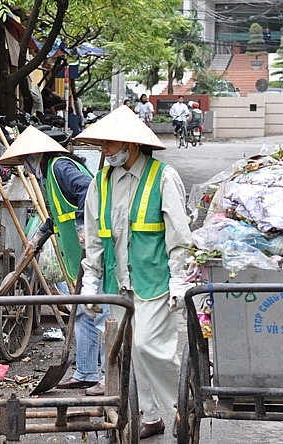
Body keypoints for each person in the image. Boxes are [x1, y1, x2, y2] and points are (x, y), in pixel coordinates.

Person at [74, 105, 192, 439]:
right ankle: (149, 415)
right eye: (102, 144)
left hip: (154, 280)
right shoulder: (101, 182)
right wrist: (92, 281)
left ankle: (183, 408)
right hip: (117, 281)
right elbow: (96, 237)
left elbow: (179, 235)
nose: (104, 149)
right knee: (128, 351)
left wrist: (179, 278)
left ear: (133, 145)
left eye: (109, 143)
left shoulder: (163, 177)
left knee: (149, 346)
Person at [0, 126, 110, 397]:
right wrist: (41, 236)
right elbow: (58, 213)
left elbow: (88, 190)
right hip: (80, 255)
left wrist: (83, 225)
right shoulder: (49, 174)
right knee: (82, 311)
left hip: (98, 249)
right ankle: (85, 372)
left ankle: (107, 376)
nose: (25, 165)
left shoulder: (60, 167)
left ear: (37, 154)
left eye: (26, 159)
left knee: (104, 311)